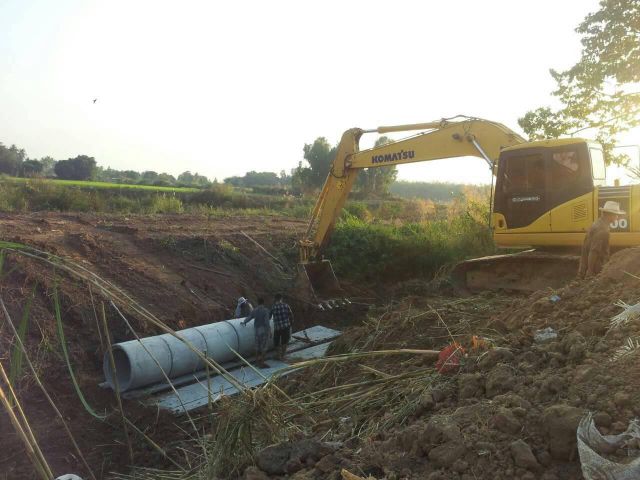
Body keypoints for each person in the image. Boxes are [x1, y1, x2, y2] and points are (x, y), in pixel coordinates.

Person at [578, 200, 625, 278]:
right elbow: (594, 251)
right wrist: (590, 271)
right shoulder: (602, 230)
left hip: (585, 265)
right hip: (596, 268)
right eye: (616, 215)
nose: (617, 218)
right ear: (610, 215)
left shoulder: (597, 223)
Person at [241, 297, 271, 367]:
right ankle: (262, 363)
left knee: (257, 347)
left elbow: (250, 317)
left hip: (257, 330)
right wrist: (269, 331)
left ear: (258, 303)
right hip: (263, 330)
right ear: (263, 303)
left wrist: (244, 322)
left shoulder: (255, 310)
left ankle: (257, 362)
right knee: (264, 347)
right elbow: (267, 322)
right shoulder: (265, 310)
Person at [270, 293, 294, 360]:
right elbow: (291, 315)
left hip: (277, 328)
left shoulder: (273, 307)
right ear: (281, 298)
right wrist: (291, 324)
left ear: (275, 299)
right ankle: (283, 356)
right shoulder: (286, 306)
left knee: (276, 342)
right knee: (284, 342)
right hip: (286, 327)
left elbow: (269, 317)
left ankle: (278, 356)